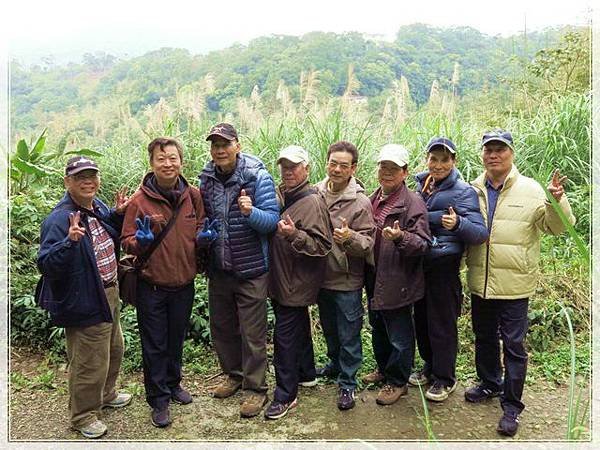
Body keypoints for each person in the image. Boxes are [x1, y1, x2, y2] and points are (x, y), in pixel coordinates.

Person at [464, 130, 575, 437]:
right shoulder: (472, 188)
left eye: (499, 149)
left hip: (515, 284)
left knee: (513, 346)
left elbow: (556, 228)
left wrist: (556, 200)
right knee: (484, 337)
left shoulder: (530, 189)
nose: (493, 155)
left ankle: (511, 405)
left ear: (511, 153)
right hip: (480, 281)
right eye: (488, 150)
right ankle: (489, 383)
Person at [37, 156, 131, 439]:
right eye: (80, 177)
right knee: (89, 359)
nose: (87, 181)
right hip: (85, 295)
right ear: (68, 182)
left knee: (114, 348)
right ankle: (83, 415)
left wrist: (116, 215)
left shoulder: (97, 206)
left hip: (109, 290)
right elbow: (45, 263)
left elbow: (105, 237)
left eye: (91, 175)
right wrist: (69, 242)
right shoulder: (59, 219)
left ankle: (106, 393)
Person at [121, 137, 205, 428]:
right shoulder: (139, 200)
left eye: (173, 158)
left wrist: (205, 239)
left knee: (175, 339)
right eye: (161, 158)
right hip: (152, 286)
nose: (168, 164)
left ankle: (173, 384)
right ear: (151, 162)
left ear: (182, 161)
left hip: (184, 283)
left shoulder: (193, 195)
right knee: (154, 344)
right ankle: (157, 399)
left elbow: (202, 226)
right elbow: (126, 240)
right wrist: (137, 243)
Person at [197, 123, 279, 418]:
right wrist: (202, 237)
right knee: (222, 328)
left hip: (251, 268)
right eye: (215, 145)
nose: (220, 150)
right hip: (219, 268)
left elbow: (271, 221)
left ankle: (256, 389)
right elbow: (201, 219)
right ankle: (233, 375)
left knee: (252, 333)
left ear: (237, 146)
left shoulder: (257, 177)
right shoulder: (206, 179)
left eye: (225, 144)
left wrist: (250, 212)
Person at [412, 137, 488, 402]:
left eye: (445, 159)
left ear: (453, 161)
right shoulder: (421, 186)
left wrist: (456, 224)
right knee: (421, 320)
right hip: (420, 263)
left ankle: (445, 378)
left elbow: (479, 232)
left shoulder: (463, 191)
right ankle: (430, 366)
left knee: (441, 324)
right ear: (427, 160)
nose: (439, 165)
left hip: (444, 266)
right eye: (434, 159)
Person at [265, 145, 333, 419]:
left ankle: (285, 395)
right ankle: (306, 374)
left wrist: (294, 235)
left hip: (295, 281)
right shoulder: (283, 194)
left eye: (294, 166)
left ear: (307, 168)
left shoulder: (312, 202)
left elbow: (323, 246)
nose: (288, 171)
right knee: (297, 325)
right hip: (283, 278)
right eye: (284, 166)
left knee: (284, 337)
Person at [362, 144, 431, 406]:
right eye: (383, 167)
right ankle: (383, 369)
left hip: (399, 280)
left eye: (393, 168)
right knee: (378, 326)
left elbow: (423, 243)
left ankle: (398, 381)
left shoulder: (412, 203)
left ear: (405, 172)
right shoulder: (374, 198)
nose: (387, 173)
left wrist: (401, 237)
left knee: (400, 335)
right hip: (375, 276)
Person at [314, 141, 375, 410]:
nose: (336, 169)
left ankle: (348, 383)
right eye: (333, 163)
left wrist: (349, 237)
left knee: (349, 333)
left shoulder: (360, 201)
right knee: (329, 328)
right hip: (320, 276)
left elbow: (368, 244)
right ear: (326, 163)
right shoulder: (314, 193)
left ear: (353, 169)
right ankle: (334, 365)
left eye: (343, 165)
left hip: (347, 279)